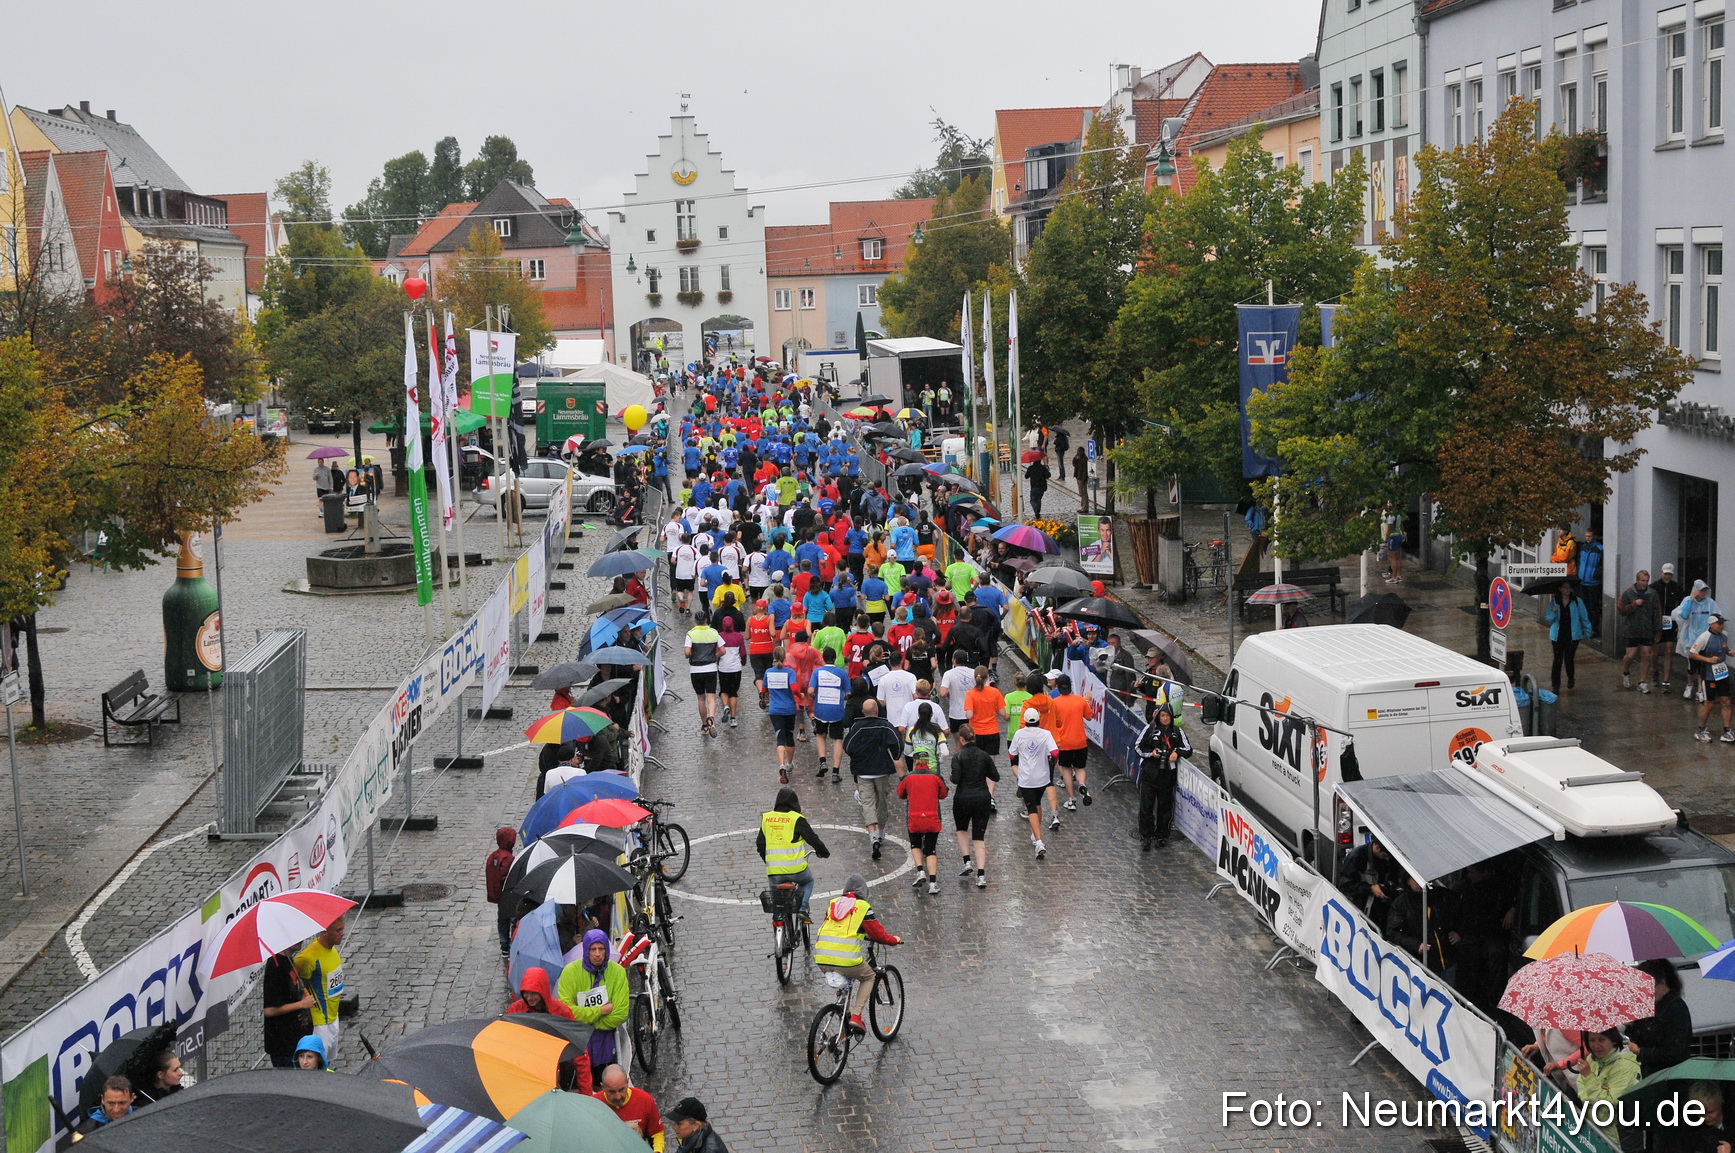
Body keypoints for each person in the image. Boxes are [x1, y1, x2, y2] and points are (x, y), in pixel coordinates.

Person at [812, 874, 902, 1036]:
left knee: (843, 976)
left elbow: (837, 927)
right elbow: (878, 934)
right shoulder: (862, 906)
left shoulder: (833, 904)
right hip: (846, 959)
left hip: (822, 957)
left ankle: (843, 1011)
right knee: (868, 977)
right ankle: (856, 1016)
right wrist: (894, 940)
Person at [559, 929, 632, 1077]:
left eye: (601, 949)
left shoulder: (617, 972)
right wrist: (600, 1011)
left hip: (607, 1046)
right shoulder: (570, 972)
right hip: (578, 1046)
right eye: (593, 949)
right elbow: (566, 1011)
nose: (597, 954)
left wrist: (585, 1020)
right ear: (586, 950)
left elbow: (620, 1014)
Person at [843, 700, 905, 862]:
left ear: (863, 712)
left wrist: (857, 757)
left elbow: (847, 746)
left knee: (868, 803)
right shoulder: (885, 726)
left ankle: (873, 837)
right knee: (882, 801)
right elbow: (898, 743)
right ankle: (881, 833)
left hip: (863, 771)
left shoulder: (857, 727)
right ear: (877, 710)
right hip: (882, 770)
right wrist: (895, 756)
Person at [757, 786, 831, 921]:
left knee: (778, 907)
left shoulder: (767, 819)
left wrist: (769, 861)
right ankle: (802, 908)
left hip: (775, 871)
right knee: (808, 881)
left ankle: (778, 918)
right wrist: (823, 852)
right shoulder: (796, 819)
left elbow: (760, 844)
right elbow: (812, 839)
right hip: (797, 870)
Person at [1571, 1028, 1639, 1148]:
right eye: (1592, 1040)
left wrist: (1589, 1077)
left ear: (1613, 1041)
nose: (1596, 1045)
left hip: (1617, 1139)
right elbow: (1581, 1088)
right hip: (1594, 1129)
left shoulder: (1626, 1067)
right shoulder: (1591, 1059)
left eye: (1602, 1040)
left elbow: (1607, 1103)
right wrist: (1598, 1089)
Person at [1135, 703, 1190, 851]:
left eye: (1167, 716)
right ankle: (1146, 837)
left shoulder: (1177, 732)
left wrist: (1176, 752)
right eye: (1162, 715)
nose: (1165, 718)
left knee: (1165, 808)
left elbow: (1188, 749)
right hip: (1149, 776)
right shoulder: (1150, 729)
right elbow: (1138, 747)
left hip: (1167, 777)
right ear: (1158, 716)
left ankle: (1161, 835)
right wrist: (1152, 754)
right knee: (1146, 808)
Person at [1007, 708, 1061, 858]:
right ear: (1038, 720)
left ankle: (1039, 841)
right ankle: (1035, 833)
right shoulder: (1046, 734)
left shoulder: (1019, 734)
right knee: (1037, 803)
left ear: (1024, 720)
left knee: (1031, 807)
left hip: (1026, 778)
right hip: (1042, 777)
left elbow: (1012, 754)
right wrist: (1052, 761)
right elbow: (1055, 752)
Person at [1629, 958, 1694, 1081]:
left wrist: (1641, 1052)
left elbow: (1675, 1052)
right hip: (1650, 1076)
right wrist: (1631, 1026)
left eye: (1650, 987)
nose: (1645, 993)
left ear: (1662, 984)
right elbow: (1641, 1038)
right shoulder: (1649, 1006)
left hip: (1671, 1077)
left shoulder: (1676, 1008)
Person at [950, 728, 999, 889]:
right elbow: (995, 777)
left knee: (962, 830)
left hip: (962, 798)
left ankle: (967, 861)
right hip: (981, 798)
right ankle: (981, 874)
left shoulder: (958, 757)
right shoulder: (984, 756)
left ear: (962, 740)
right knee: (979, 837)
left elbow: (955, 779)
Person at [294, 914, 346, 1060]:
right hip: (319, 1024)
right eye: (338, 930)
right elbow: (298, 988)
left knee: (329, 1062)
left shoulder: (333, 949)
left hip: (333, 1017)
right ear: (324, 931)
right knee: (317, 1067)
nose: (342, 933)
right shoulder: (308, 958)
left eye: (343, 929)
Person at [898, 750, 949, 895]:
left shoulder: (908, 778)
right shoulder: (936, 777)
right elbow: (944, 794)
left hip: (914, 818)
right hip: (932, 817)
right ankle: (933, 883)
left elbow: (900, 794)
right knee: (931, 849)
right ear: (928, 761)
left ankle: (920, 871)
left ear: (914, 762)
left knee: (915, 845)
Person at [1048, 674, 1098, 810]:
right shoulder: (1080, 701)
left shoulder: (1055, 703)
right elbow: (1089, 716)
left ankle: (1072, 799)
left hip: (1063, 743)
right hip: (1080, 742)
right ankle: (1082, 784)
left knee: (1066, 770)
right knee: (1080, 768)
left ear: (1057, 686)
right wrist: (1087, 701)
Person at [262, 942, 316, 1068]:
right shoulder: (275, 967)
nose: (301, 940)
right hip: (284, 1046)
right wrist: (302, 1004)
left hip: (297, 1040)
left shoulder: (289, 961)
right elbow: (269, 1010)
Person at [594, 1064, 666, 1152]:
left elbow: (657, 1133)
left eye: (621, 1090)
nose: (618, 1096)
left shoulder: (644, 1100)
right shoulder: (593, 1105)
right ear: (603, 1087)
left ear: (627, 1082)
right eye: (612, 1092)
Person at [1690, 614, 1735, 743]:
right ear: (1711, 624)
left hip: (1722, 673)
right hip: (1709, 674)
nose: (1722, 626)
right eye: (1719, 624)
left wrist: (1729, 652)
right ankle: (1700, 730)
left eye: (1722, 623)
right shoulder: (1704, 637)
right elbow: (1692, 654)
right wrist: (1707, 659)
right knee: (1709, 703)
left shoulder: (1724, 634)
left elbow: (1724, 648)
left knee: (1726, 702)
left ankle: (1727, 731)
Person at [1339, 839, 1404, 926]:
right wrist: (1370, 888)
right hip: (1362, 906)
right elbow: (1344, 885)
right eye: (1385, 856)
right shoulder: (1356, 857)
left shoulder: (1390, 857)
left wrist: (1391, 884)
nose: (1388, 859)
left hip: (1383, 908)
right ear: (1377, 848)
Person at [808, 649, 850, 782]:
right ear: (835, 658)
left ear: (823, 658)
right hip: (837, 710)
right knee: (837, 739)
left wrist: (815, 697)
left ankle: (822, 762)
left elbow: (810, 691)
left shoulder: (817, 672)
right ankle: (835, 772)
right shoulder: (842, 673)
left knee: (820, 735)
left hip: (821, 709)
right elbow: (848, 693)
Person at [1676, 579, 1720, 702]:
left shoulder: (1710, 603)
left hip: (1705, 639)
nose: (1704, 593)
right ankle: (1690, 685)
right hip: (1691, 639)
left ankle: (1700, 690)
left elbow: (1716, 616)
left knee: (1702, 667)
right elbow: (1683, 615)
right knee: (1692, 666)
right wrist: (1690, 600)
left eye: (1705, 590)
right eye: (1701, 591)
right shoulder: (1687, 601)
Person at [1618, 569, 1661, 693]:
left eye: (1647, 581)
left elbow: (1657, 612)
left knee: (1646, 654)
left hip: (1647, 629)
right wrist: (1634, 604)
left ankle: (1642, 681)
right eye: (1642, 581)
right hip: (1632, 628)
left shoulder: (1652, 594)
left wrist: (1658, 630)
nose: (1645, 583)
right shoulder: (1628, 592)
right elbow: (1621, 610)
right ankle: (1626, 671)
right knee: (1630, 655)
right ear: (1637, 580)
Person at [1544, 582, 1592, 693]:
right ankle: (1555, 685)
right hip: (1557, 635)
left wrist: (1587, 632)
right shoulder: (1554, 602)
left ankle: (1571, 678)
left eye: (1569, 587)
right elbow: (1548, 618)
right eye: (1565, 587)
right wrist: (1554, 612)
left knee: (1569, 659)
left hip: (1572, 635)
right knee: (1557, 660)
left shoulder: (1576, 601)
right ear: (1560, 589)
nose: (1567, 589)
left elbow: (1584, 617)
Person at [684, 610, 723, 737]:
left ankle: (705, 724)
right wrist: (715, 655)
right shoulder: (713, 632)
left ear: (695, 621)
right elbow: (723, 650)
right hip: (711, 668)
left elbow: (687, 653)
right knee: (711, 698)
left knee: (701, 698)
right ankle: (711, 717)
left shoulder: (690, 634)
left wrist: (691, 653)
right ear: (706, 620)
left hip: (696, 670)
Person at [963, 665, 1007, 757]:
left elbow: (969, 715)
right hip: (992, 732)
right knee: (990, 763)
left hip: (975, 733)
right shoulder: (995, 692)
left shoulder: (970, 694)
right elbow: (1002, 713)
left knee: (976, 762)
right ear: (987, 677)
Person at [486, 826, 517, 957]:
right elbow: (506, 877)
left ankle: (504, 945)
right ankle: (512, 944)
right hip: (508, 895)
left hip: (498, 895)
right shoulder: (508, 858)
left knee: (502, 919)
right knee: (513, 919)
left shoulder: (494, 856)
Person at [1655, 563, 1684, 689]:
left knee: (1669, 649)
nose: (1667, 576)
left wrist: (1678, 622)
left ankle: (1666, 679)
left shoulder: (1677, 588)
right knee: (1654, 650)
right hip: (1657, 621)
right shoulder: (1654, 587)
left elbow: (1682, 606)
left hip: (1671, 621)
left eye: (1669, 574)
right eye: (1665, 573)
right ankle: (1654, 671)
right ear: (1661, 572)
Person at [666, 1097, 731, 1153]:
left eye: (679, 1124)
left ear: (695, 1125)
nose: (674, 1127)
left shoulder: (709, 1150)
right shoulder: (690, 1136)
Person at [1577, 528, 1606, 638]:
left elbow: (1602, 564)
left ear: (1593, 537)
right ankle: (1587, 627)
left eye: (1589, 536)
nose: (1587, 538)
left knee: (1594, 607)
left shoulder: (1599, 549)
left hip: (1593, 582)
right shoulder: (1583, 547)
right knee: (1586, 606)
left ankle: (1594, 628)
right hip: (1583, 581)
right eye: (1586, 536)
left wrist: (1596, 574)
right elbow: (1580, 561)